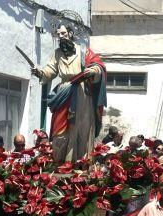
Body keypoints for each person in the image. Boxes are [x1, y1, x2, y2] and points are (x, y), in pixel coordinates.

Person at [32, 24, 107, 162]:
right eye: (58, 34)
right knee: (59, 130)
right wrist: (40, 73)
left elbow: (98, 65)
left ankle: (80, 161)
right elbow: (50, 71)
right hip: (64, 91)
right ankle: (60, 160)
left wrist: (94, 70)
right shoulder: (57, 53)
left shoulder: (84, 51)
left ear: (71, 34)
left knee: (82, 127)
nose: (60, 36)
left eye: (63, 33)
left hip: (82, 91)